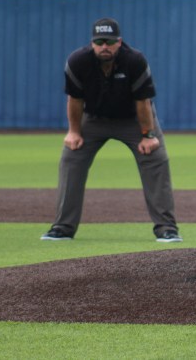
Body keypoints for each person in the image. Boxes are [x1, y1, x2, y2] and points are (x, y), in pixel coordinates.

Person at [40, 17, 181, 243]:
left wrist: (148, 135)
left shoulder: (134, 60)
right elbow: (75, 100)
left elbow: (143, 102)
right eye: (99, 42)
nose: (104, 46)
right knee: (71, 159)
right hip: (93, 119)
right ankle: (63, 227)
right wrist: (74, 132)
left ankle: (166, 227)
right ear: (92, 43)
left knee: (155, 159)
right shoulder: (78, 61)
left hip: (134, 119)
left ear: (119, 42)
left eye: (109, 41)